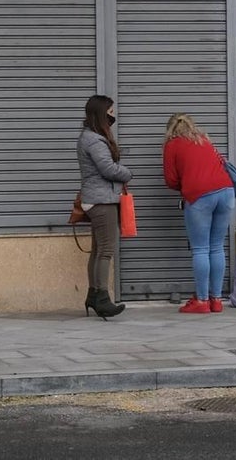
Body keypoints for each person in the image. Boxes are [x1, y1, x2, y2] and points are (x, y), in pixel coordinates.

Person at [162, 113, 235, 314]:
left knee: (201, 249)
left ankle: (202, 301)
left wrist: (186, 184)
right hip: (227, 192)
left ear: (170, 130)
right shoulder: (204, 139)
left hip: (200, 195)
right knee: (217, 247)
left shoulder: (172, 145)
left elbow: (170, 180)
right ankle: (217, 300)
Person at [78, 95, 132, 320]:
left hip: (96, 199)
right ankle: (102, 298)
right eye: (110, 111)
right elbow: (108, 169)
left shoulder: (89, 137)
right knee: (106, 250)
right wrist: (127, 173)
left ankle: (93, 295)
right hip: (102, 201)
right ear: (101, 113)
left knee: (99, 249)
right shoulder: (94, 140)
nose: (113, 115)